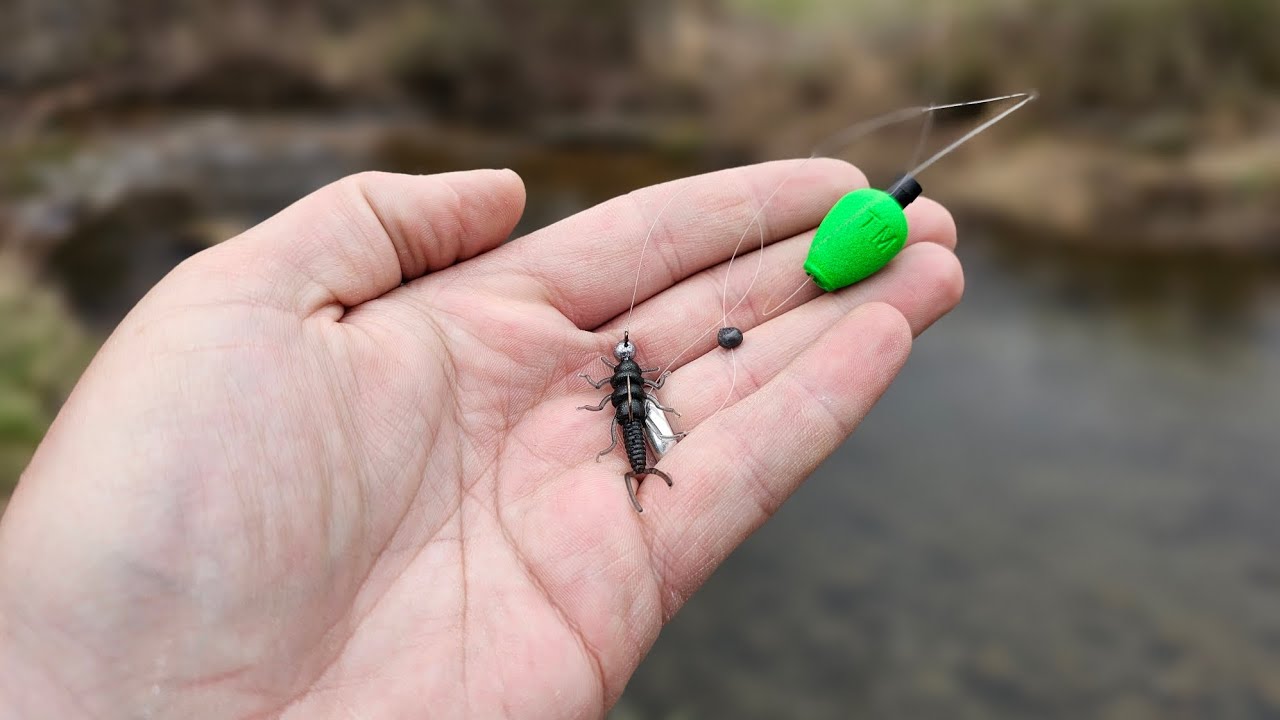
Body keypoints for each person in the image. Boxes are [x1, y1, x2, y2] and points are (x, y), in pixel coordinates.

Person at [0, 160, 961, 718]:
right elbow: (625, 388)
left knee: (640, 435)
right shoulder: (633, 379)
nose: (625, 380)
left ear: (628, 376)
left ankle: (643, 474)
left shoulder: (620, 380)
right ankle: (644, 476)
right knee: (644, 441)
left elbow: (618, 389)